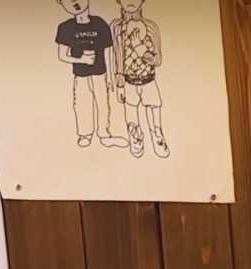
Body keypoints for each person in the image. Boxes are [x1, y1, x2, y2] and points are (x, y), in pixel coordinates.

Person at [54, 0, 116, 149]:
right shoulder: (65, 27)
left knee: (102, 102)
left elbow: (108, 51)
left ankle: (103, 131)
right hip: (80, 74)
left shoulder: (100, 23)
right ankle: (85, 134)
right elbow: (62, 55)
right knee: (82, 103)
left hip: (100, 73)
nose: (74, 2)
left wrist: (111, 75)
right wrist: (81, 59)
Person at [114, 0, 168, 159]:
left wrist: (139, 46)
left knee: (153, 108)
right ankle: (136, 138)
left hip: (148, 80)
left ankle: (157, 136)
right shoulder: (118, 28)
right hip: (129, 81)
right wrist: (119, 80)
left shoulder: (151, 27)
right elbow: (118, 55)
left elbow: (157, 60)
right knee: (131, 112)